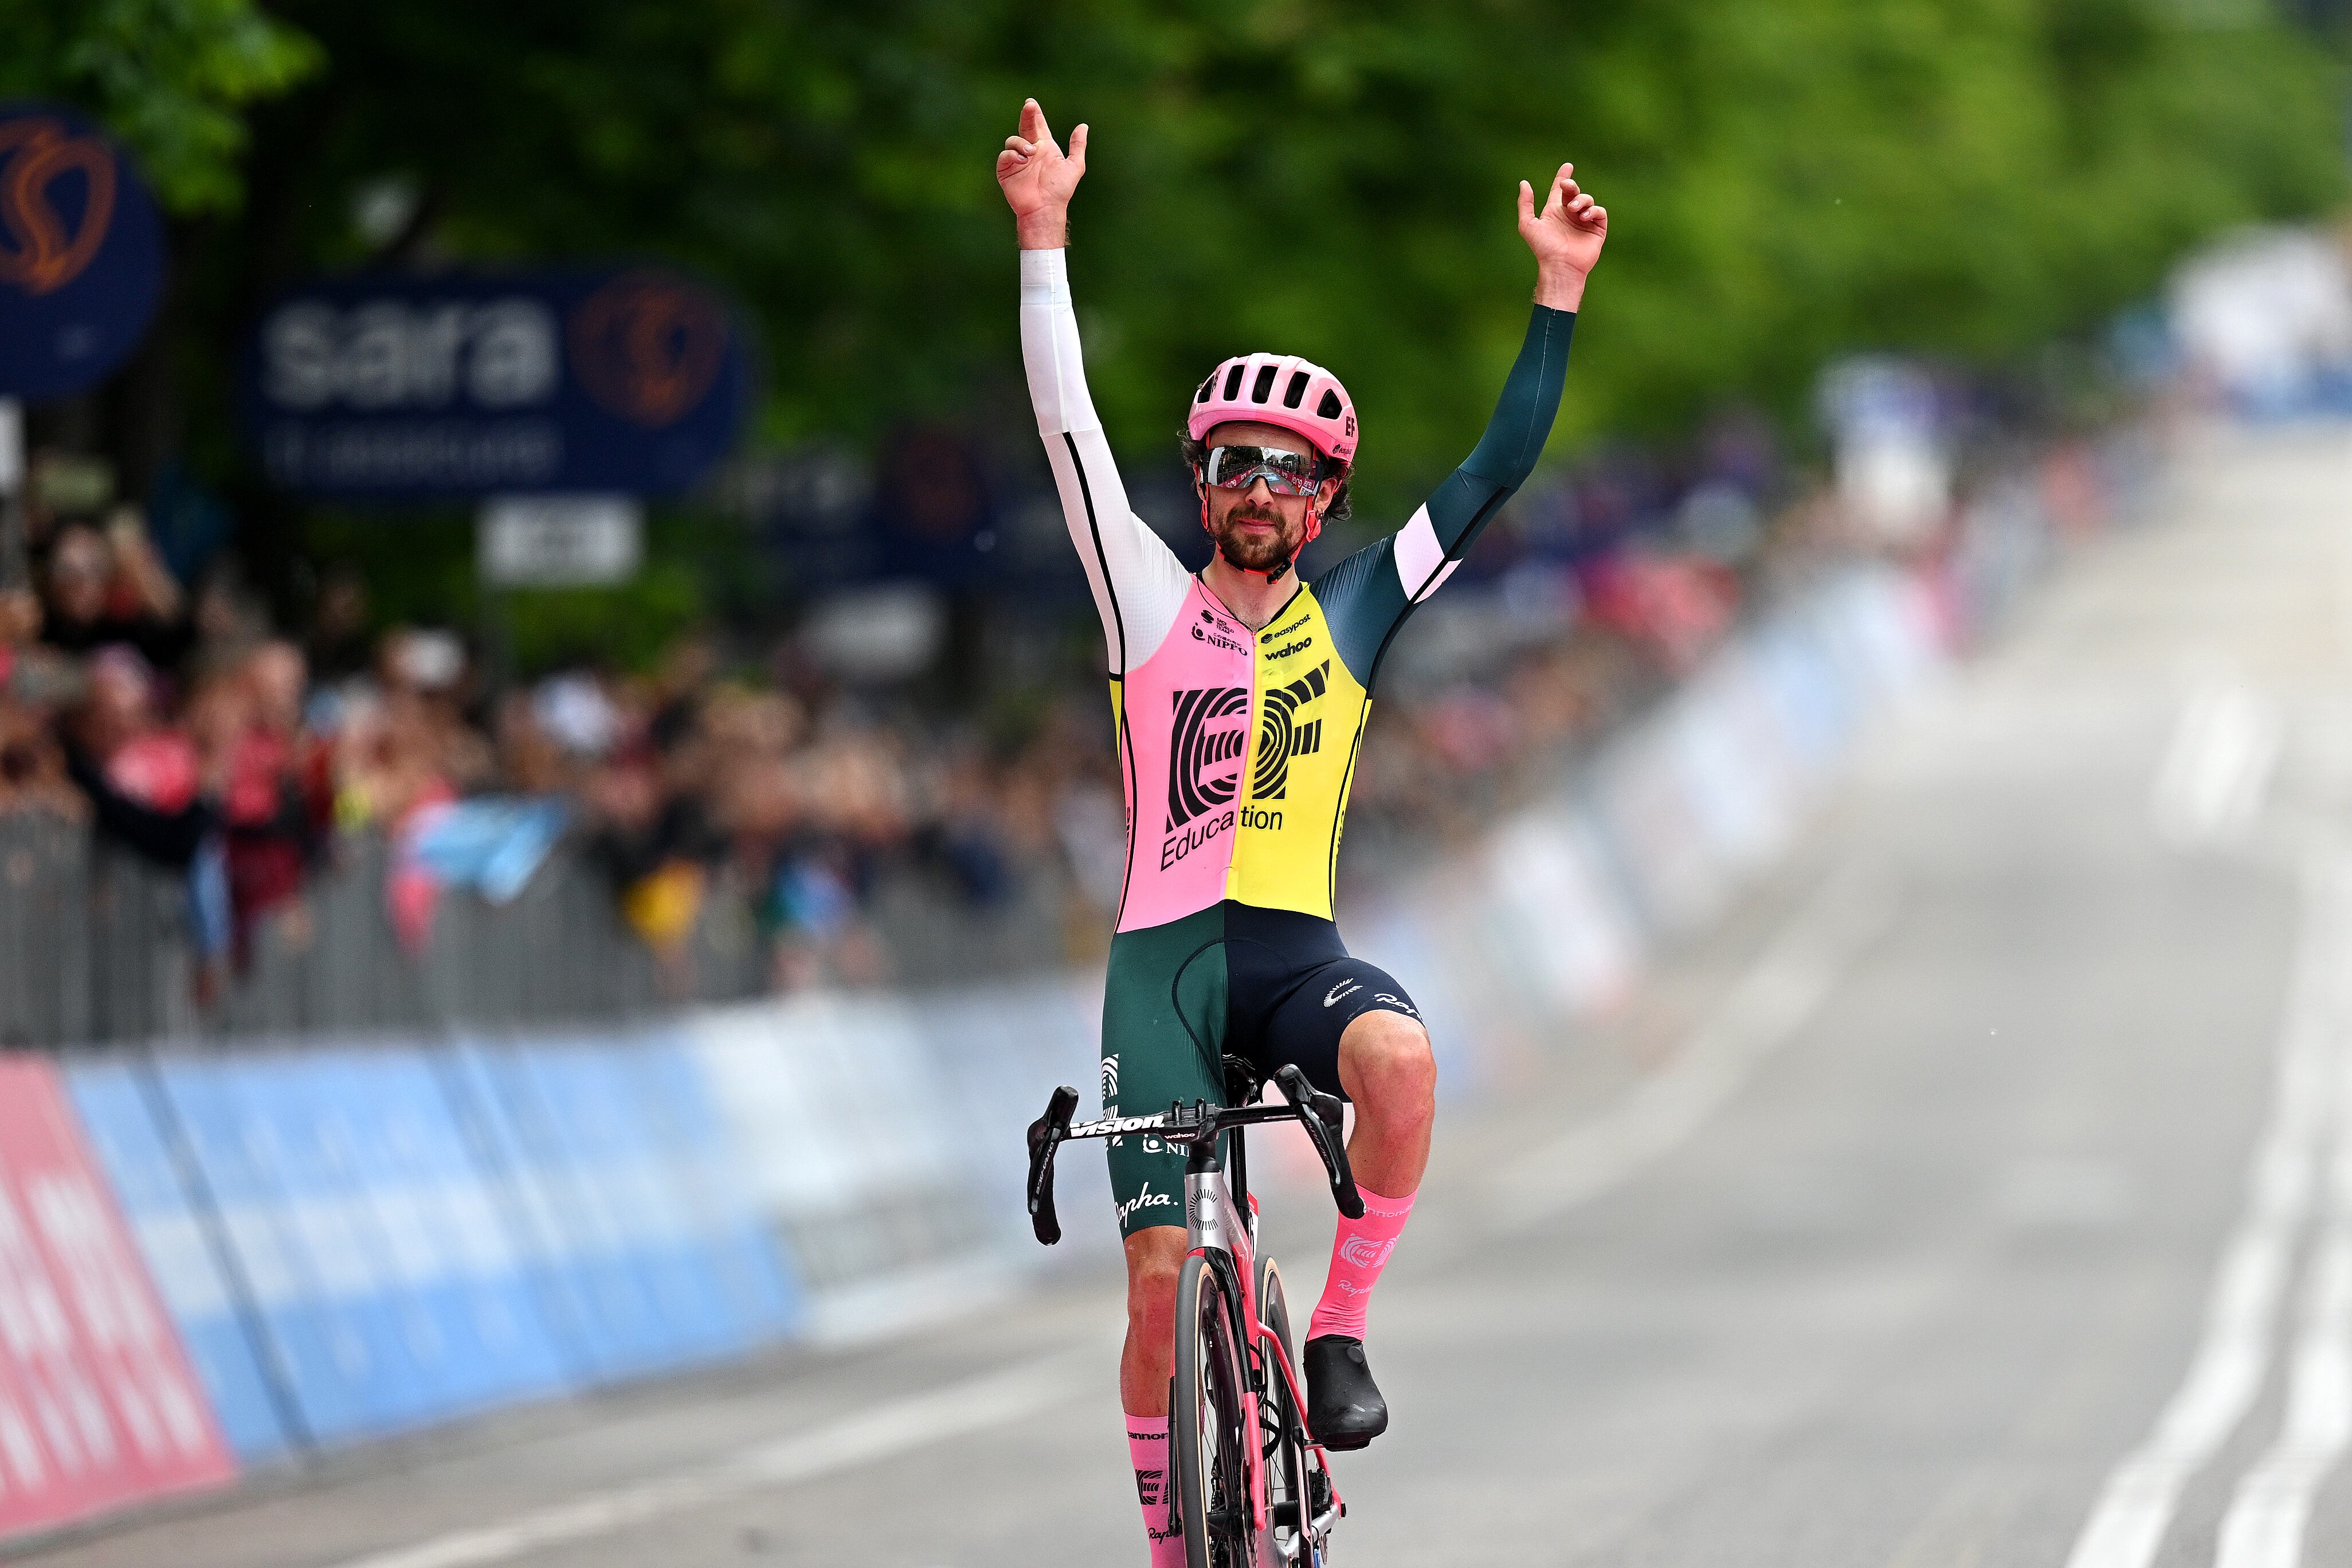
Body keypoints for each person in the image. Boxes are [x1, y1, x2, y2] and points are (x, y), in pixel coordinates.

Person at [997, 97, 1607, 1559]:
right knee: (1157, 1287)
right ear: (1202, 484)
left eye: (1292, 471)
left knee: (1400, 1057)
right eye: (1236, 465)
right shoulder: (1143, 597)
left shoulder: (1360, 608)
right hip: (1158, 970)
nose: (1261, 490)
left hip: (1290, 956)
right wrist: (1042, 239)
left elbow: (1493, 470)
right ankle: (1168, 1544)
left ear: (1327, 497)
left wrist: (1557, 297)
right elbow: (1062, 420)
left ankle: (1335, 1328)